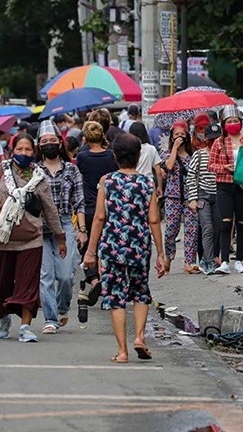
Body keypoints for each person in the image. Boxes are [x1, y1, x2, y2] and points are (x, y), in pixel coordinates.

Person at [83, 133, 168, 363]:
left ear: (115, 155)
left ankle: (122, 351)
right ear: (139, 155)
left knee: (116, 297)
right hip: (139, 245)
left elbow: (100, 217)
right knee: (140, 292)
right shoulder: (146, 182)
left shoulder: (107, 181)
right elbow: (153, 220)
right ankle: (139, 337)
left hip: (112, 245)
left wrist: (91, 251)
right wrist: (161, 253)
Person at [0, 133, 66, 343]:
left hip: (31, 240)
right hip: (1, 240)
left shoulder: (39, 176)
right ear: (11, 150)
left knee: (28, 285)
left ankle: (25, 326)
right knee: (1, 286)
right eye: (19, 150)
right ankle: (3, 319)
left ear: (33, 152)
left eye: (27, 150)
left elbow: (50, 208)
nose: (23, 154)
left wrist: (60, 237)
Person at [36, 120, 85, 334]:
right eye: (44, 141)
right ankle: (50, 318)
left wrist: (82, 229)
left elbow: (80, 202)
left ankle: (62, 307)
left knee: (66, 276)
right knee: (45, 276)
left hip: (65, 224)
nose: (48, 144)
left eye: (52, 140)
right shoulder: (34, 171)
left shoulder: (72, 171)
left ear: (60, 143)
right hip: (40, 227)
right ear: (39, 145)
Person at [75, 121, 118, 305]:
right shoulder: (111, 156)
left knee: (88, 248)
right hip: (108, 206)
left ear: (85, 137)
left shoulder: (82, 157)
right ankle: (107, 282)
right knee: (106, 248)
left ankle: (94, 279)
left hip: (88, 206)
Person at [209, 105, 243, 274]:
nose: (233, 123)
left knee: (242, 222)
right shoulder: (218, 142)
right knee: (225, 222)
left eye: (236, 120)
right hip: (224, 185)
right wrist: (225, 167)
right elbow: (210, 165)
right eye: (229, 121)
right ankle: (225, 259)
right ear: (223, 123)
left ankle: (240, 260)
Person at [161, 120, 199, 273]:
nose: (179, 137)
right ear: (171, 137)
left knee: (191, 230)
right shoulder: (167, 153)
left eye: (182, 135)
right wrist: (175, 148)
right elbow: (169, 167)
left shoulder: (192, 155)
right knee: (171, 230)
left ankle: (189, 263)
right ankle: (168, 257)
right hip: (172, 197)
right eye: (176, 135)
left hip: (190, 197)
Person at [188, 121, 223, 274]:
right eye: (211, 139)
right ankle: (207, 259)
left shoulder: (224, 155)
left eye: (217, 138)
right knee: (207, 227)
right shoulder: (199, 155)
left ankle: (214, 256)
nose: (214, 142)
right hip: (203, 195)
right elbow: (191, 176)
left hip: (219, 195)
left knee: (218, 228)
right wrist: (193, 198)